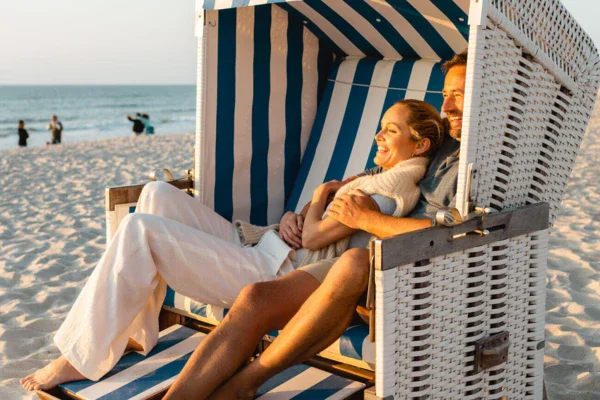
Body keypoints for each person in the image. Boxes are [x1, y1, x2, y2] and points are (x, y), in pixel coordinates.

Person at [20, 98, 443, 392]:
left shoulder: (390, 186)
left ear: (420, 145)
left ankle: (80, 355)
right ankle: (137, 334)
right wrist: (296, 216)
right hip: (268, 245)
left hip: (276, 272)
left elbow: (315, 236)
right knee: (156, 194)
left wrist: (317, 198)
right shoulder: (380, 176)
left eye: (391, 130)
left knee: (139, 230)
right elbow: (316, 229)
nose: (378, 135)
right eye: (381, 127)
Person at [163, 51, 467, 400]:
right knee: (254, 297)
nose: (448, 107)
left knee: (355, 261)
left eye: (458, 95)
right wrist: (306, 208)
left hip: (410, 276)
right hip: (354, 260)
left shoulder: (476, 163)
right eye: (445, 95)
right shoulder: (438, 144)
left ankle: (244, 383)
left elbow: (459, 234)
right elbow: (353, 185)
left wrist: (367, 219)